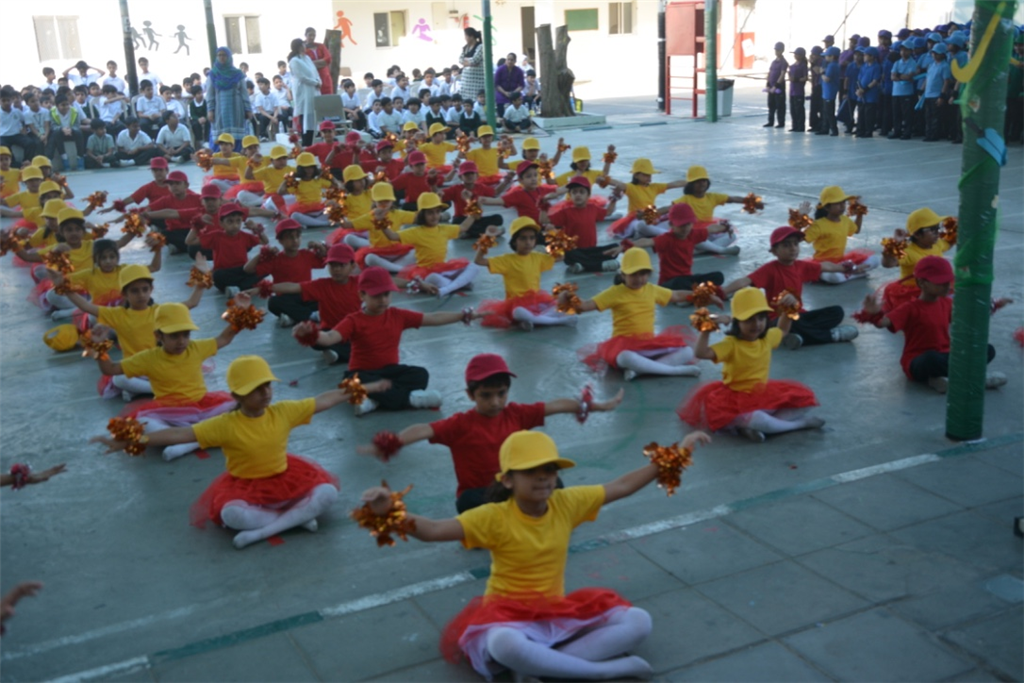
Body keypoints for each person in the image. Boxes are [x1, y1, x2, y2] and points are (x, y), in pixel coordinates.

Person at [359, 429, 712, 681]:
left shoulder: (566, 503)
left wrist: (677, 454)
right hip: (507, 616)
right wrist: (390, 510)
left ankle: (541, 665)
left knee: (638, 621)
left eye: (549, 470)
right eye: (531, 471)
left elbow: (621, 486)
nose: (543, 478)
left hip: (553, 612)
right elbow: (434, 530)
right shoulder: (494, 517)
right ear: (508, 480)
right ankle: (604, 671)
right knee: (504, 644)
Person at [97, 356, 384, 549]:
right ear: (236, 396)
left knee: (328, 493)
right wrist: (133, 441)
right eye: (256, 389)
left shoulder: (283, 412)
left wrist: (362, 388)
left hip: (287, 480)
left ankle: (264, 531)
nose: (265, 393)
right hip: (247, 489)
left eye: (267, 386)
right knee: (231, 514)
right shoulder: (226, 424)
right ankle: (294, 519)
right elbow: (179, 434)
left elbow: (324, 400)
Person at [363, 354, 624, 512]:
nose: (495, 402)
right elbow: (424, 429)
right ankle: (518, 516)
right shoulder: (460, 424)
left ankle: (520, 514)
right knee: (467, 503)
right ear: (470, 395)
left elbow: (555, 406)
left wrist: (597, 406)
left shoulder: (516, 414)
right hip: (482, 494)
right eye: (486, 396)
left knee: (555, 485)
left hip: (513, 487)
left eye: (501, 393)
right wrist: (395, 441)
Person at [294, 266, 484, 415]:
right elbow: (329, 338)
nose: (383, 300)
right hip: (363, 374)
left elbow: (432, 318)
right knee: (352, 382)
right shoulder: (353, 320)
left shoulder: (397, 315)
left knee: (420, 375)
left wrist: (463, 315)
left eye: (386, 294)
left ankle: (374, 401)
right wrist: (311, 334)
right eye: (376, 295)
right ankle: (410, 399)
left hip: (390, 372)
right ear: (361, 295)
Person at [679, 287, 823, 442]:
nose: (757, 324)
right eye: (749, 319)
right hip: (735, 401)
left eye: (761, 318)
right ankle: (799, 425)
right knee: (758, 419)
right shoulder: (731, 344)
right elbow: (701, 353)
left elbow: (783, 329)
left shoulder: (766, 338)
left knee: (805, 402)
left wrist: (789, 308)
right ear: (737, 322)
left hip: (763, 394)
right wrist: (706, 330)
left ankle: (756, 427)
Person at [857, 256, 1008, 394]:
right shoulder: (910, 308)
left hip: (946, 355)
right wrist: (874, 313)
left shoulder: (946, 303)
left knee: (986, 349)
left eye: (947, 281)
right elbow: (883, 322)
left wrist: (990, 307)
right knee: (931, 359)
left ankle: (945, 380)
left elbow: (965, 318)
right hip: (919, 360)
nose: (946, 286)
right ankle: (971, 379)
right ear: (921, 283)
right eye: (940, 283)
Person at [55, 263, 206, 400]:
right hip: (136, 368)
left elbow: (192, 302)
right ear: (124, 294)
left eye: (145, 289)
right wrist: (64, 287)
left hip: (159, 366)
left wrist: (202, 276)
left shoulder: (160, 311)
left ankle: (145, 390)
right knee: (119, 379)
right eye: (135, 291)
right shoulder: (118, 314)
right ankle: (159, 390)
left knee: (184, 366)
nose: (141, 295)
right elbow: (86, 307)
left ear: (151, 290)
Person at [565, 248, 716, 380]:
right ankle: (675, 371)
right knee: (624, 358)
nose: (638, 279)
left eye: (643, 274)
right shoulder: (614, 293)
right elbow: (586, 305)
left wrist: (699, 294)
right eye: (633, 274)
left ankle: (640, 371)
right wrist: (568, 297)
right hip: (625, 346)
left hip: (648, 345)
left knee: (688, 352)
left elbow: (676, 295)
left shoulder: (651, 289)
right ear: (623, 275)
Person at [723, 226, 862, 349]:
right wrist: (722, 291)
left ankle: (798, 337)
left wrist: (847, 269)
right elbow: (745, 281)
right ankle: (831, 336)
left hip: (799, 315)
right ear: (774, 251)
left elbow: (825, 266)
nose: (793, 248)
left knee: (836, 312)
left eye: (795, 244)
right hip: (777, 319)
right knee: (795, 323)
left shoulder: (800, 266)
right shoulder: (770, 269)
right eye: (786, 245)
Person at [476, 217, 574, 331]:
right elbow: (479, 260)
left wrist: (553, 234)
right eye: (523, 238)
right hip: (517, 306)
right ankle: (557, 321)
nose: (528, 242)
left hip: (537, 302)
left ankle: (534, 320)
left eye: (532, 238)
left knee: (563, 303)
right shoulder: (507, 260)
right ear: (514, 241)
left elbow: (561, 257)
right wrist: (487, 238)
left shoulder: (538, 257)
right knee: (518, 312)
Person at [380, 192, 480, 297]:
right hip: (426, 272)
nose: (435, 216)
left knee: (474, 267)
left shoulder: (444, 229)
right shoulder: (415, 232)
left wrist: (472, 209)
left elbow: (463, 227)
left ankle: (449, 287)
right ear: (422, 215)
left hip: (443, 268)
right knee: (433, 278)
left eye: (437, 212)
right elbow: (392, 236)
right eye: (430, 213)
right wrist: (381, 222)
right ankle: (457, 284)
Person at [276, 243, 361, 364]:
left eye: (341, 265)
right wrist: (266, 288)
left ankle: (337, 353)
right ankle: (338, 352)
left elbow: (382, 285)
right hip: (330, 330)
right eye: (332, 265)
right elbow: (294, 287)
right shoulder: (322, 285)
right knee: (315, 339)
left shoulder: (360, 283)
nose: (336, 269)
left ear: (352, 266)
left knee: (367, 340)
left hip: (353, 330)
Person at [623, 202, 726, 291]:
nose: (685, 228)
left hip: (687, 278)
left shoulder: (692, 234)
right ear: (671, 224)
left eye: (688, 224)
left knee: (718, 276)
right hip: (669, 283)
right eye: (681, 225)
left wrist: (725, 227)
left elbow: (711, 229)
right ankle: (695, 293)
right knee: (679, 283)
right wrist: (625, 246)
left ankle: (691, 293)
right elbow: (647, 241)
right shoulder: (667, 239)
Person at [246, 218, 327, 327]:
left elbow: (325, 261)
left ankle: (294, 317)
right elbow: (248, 269)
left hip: (306, 295)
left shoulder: (306, 254)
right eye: (290, 237)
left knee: (325, 296)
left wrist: (320, 247)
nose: (295, 240)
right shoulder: (276, 259)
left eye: (297, 236)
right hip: (286, 298)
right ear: (280, 241)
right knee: (273, 302)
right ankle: (310, 316)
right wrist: (262, 253)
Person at [880, 207, 955, 312]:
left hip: (935, 286)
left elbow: (949, 242)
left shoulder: (937, 244)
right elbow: (888, 264)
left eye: (937, 228)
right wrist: (895, 244)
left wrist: (954, 228)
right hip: (916, 292)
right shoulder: (909, 251)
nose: (937, 233)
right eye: (932, 229)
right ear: (917, 234)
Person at [669, 165, 755, 255]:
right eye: (698, 181)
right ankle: (720, 250)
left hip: (707, 234)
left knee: (731, 236)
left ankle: (698, 251)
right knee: (695, 238)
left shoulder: (712, 197)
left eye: (704, 180)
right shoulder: (684, 200)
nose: (701, 183)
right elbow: (669, 210)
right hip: (691, 234)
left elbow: (732, 199)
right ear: (691, 184)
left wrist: (752, 202)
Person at [186, 203, 269, 295]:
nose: (235, 225)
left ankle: (238, 288)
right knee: (217, 275)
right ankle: (247, 286)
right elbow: (189, 241)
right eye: (230, 222)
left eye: (238, 221)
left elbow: (265, 241)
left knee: (266, 265)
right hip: (225, 272)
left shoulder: (244, 236)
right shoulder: (216, 236)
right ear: (221, 223)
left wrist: (256, 229)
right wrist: (197, 225)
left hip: (243, 270)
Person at [546, 176, 620, 274]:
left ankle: (582, 265)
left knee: (614, 247)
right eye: (574, 192)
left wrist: (614, 199)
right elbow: (544, 220)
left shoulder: (593, 208)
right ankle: (599, 265)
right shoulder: (566, 212)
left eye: (581, 192)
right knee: (569, 254)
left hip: (591, 250)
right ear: (570, 195)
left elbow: (608, 212)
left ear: (588, 195)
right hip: (575, 250)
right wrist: (543, 206)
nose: (578, 195)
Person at [805, 186, 879, 283]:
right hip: (824, 264)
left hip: (840, 261)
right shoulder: (818, 225)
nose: (842, 206)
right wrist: (801, 218)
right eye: (837, 203)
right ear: (827, 207)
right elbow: (801, 238)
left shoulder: (845, 220)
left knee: (875, 260)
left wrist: (859, 213)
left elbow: (856, 230)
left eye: (843, 202)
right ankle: (855, 272)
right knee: (833, 277)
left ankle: (850, 272)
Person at [605, 159, 686, 239]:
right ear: (636, 175)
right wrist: (618, 186)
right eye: (645, 175)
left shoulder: (654, 187)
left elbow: (674, 184)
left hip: (651, 216)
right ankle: (668, 234)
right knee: (641, 225)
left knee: (677, 216)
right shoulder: (631, 187)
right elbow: (619, 184)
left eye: (650, 175)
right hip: (636, 218)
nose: (649, 177)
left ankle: (654, 232)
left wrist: (690, 182)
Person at [207, 47, 251, 147]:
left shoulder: (238, 74)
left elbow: (244, 92)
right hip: (220, 110)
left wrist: (248, 109)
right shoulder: (213, 74)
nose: (222, 57)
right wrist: (210, 110)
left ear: (229, 57)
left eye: (224, 55)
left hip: (236, 109)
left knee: (237, 135)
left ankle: (237, 152)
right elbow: (210, 94)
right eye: (219, 55)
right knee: (221, 136)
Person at [288, 38, 321, 146]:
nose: (305, 46)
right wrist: (315, 83)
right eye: (303, 44)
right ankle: (306, 142)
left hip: (313, 90)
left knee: (313, 115)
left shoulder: (307, 58)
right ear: (298, 46)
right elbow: (301, 77)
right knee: (305, 115)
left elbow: (315, 72)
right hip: (303, 92)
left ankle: (312, 140)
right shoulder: (294, 61)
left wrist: (318, 81)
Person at [889, 41, 917, 140]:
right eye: (901, 50)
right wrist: (902, 76)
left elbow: (909, 76)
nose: (903, 52)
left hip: (906, 92)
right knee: (896, 113)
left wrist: (898, 75)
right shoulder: (897, 62)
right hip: (896, 92)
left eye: (906, 50)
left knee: (907, 114)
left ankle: (907, 132)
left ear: (911, 51)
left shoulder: (913, 63)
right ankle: (897, 131)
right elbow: (892, 77)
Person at [459, 28, 486, 111]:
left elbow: (475, 60)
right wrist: (470, 63)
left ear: (471, 36)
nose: (465, 38)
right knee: (466, 103)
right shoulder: (465, 48)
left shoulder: (480, 47)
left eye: (466, 36)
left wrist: (467, 62)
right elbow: (460, 60)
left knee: (477, 103)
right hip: (466, 82)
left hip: (477, 81)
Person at [817, 46, 841, 136]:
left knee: (829, 112)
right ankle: (825, 128)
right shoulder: (832, 65)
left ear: (832, 56)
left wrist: (822, 73)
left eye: (827, 56)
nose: (825, 57)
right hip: (827, 91)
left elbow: (827, 79)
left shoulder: (832, 66)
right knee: (825, 111)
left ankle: (834, 129)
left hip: (829, 92)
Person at [494, 53, 525, 117]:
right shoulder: (500, 70)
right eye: (508, 59)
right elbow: (496, 84)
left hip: (514, 92)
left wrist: (514, 92)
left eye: (512, 60)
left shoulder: (519, 71)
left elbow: (521, 85)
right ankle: (501, 117)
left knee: (520, 99)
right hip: (502, 92)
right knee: (499, 99)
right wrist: (505, 93)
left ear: (515, 61)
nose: (510, 61)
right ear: (506, 60)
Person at [304, 27, 334, 95]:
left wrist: (312, 64)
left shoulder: (321, 46)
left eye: (314, 35)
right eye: (310, 35)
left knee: (328, 96)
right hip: (313, 78)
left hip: (325, 77)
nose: (312, 37)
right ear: (305, 35)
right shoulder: (303, 49)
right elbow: (304, 64)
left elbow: (328, 59)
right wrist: (322, 63)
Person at [765, 42, 788, 128]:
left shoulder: (783, 62)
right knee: (771, 104)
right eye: (776, 50)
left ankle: (781, 122)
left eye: (778, 50)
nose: (776, 52)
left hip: (779, 87)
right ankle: (770, 121)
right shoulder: (773, 62)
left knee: (780, 105)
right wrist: (768, 84)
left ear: (782, 50)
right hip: (771, 86)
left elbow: (782, 74)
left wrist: (776, 85)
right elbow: (770, 72)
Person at [788, 47, 809, 132]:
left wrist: (796, 79)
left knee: (799, 109)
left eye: (796, 54)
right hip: (792, 90)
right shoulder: (793, 65)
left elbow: (805, 78)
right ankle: (795, 125)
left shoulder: (803, 65)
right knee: (793, 109)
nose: (795, 56)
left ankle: (800, 126)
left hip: (799, 91)